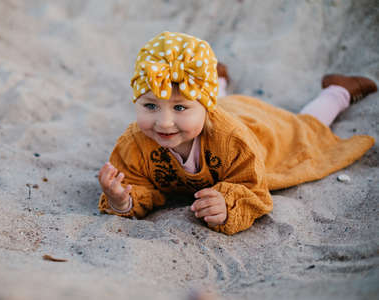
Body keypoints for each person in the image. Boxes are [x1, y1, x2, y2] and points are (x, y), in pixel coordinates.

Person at [98, 31, 376, 235]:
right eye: (150, 105)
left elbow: (252, 187)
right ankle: (215, 82)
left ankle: (338, 91)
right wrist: (122, 199)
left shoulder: (233, 140)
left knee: (305, 131)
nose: (164, 122)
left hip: (259, 128)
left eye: (179, 108)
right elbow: (135, 182)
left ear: (203, 107)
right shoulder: (135, 142)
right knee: (204, 99)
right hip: (212, 106)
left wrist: (227, 206)